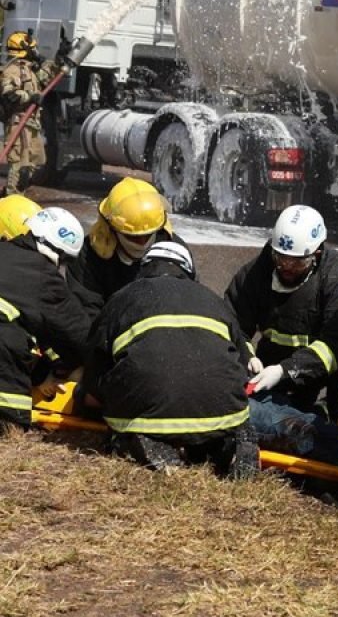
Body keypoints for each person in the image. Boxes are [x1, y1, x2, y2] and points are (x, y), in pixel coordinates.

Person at [83, 241, 259, 477]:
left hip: (148, 408)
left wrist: (96, 395)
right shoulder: (212, 299)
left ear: (144, 269)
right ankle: (230, 441)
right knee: (216, 425)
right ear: (188, 270)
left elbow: (94, 364)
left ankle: (136, 438)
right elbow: (240, 360)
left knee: (114, 403)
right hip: (223, 411)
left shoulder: (123, 298)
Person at [224, 205, 338, 461]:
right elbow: (232, 321)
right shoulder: (258, 271)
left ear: (316, 254)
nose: (286, 267)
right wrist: (246, 354)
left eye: (297, 262)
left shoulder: (336, 276)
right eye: (280, 258)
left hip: (327, 372)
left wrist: (287, 370)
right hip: (271, 372)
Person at [0, 207, 90, 427]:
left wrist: (42, 371)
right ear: (56, 251)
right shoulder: (42, 275)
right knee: (11, 426)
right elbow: (78, 333)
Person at [67, 176, 181, 321]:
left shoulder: (174, 252)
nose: (142, 243)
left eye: (148, 235)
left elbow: (187, 302)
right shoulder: (88, 256)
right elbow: (85, 316)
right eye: (133, 237)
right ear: (112, 228)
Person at [1, 30, 60, 198]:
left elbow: (44, 78)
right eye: (33, 48)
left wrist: (57, 60)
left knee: (35, 161)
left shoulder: (27, 69)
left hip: (32, 124)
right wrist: (30, 97)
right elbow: (9, 94)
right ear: (25, 49)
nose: (35, 51)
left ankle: (15, 193)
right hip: (19, 124)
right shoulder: (11, 70)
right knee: (20, 165)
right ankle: (11, 199)